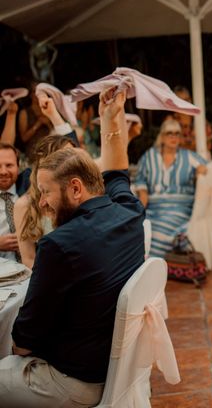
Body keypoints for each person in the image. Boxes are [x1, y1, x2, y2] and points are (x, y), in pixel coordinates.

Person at [0, 86, 145, 407]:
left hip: (72, 381)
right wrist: (110, 118)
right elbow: (118, 171)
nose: (42, 202)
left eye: (45, 192)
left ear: (75, 188)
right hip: (109, 366)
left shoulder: (59, 245)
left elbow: (24, 342)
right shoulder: (129, 212)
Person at [133, 118, 207, 258]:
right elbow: (141, 181)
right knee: (139, 227)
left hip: (179, 208)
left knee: (159, 231)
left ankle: (151, 267)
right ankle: (144, 267)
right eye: (169, 133)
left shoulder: (188, 156)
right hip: (154, 208)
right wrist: (140, 208)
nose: (173, 137)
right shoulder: (149, 156)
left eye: (177, 133)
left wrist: (200, 172)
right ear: (162, 136)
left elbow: (206, 168)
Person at [14, 135, 74, 269]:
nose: (74, 161)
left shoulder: (77, 196)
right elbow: (29, 258)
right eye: (67, 157)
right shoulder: (24, 205)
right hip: (47, 276)